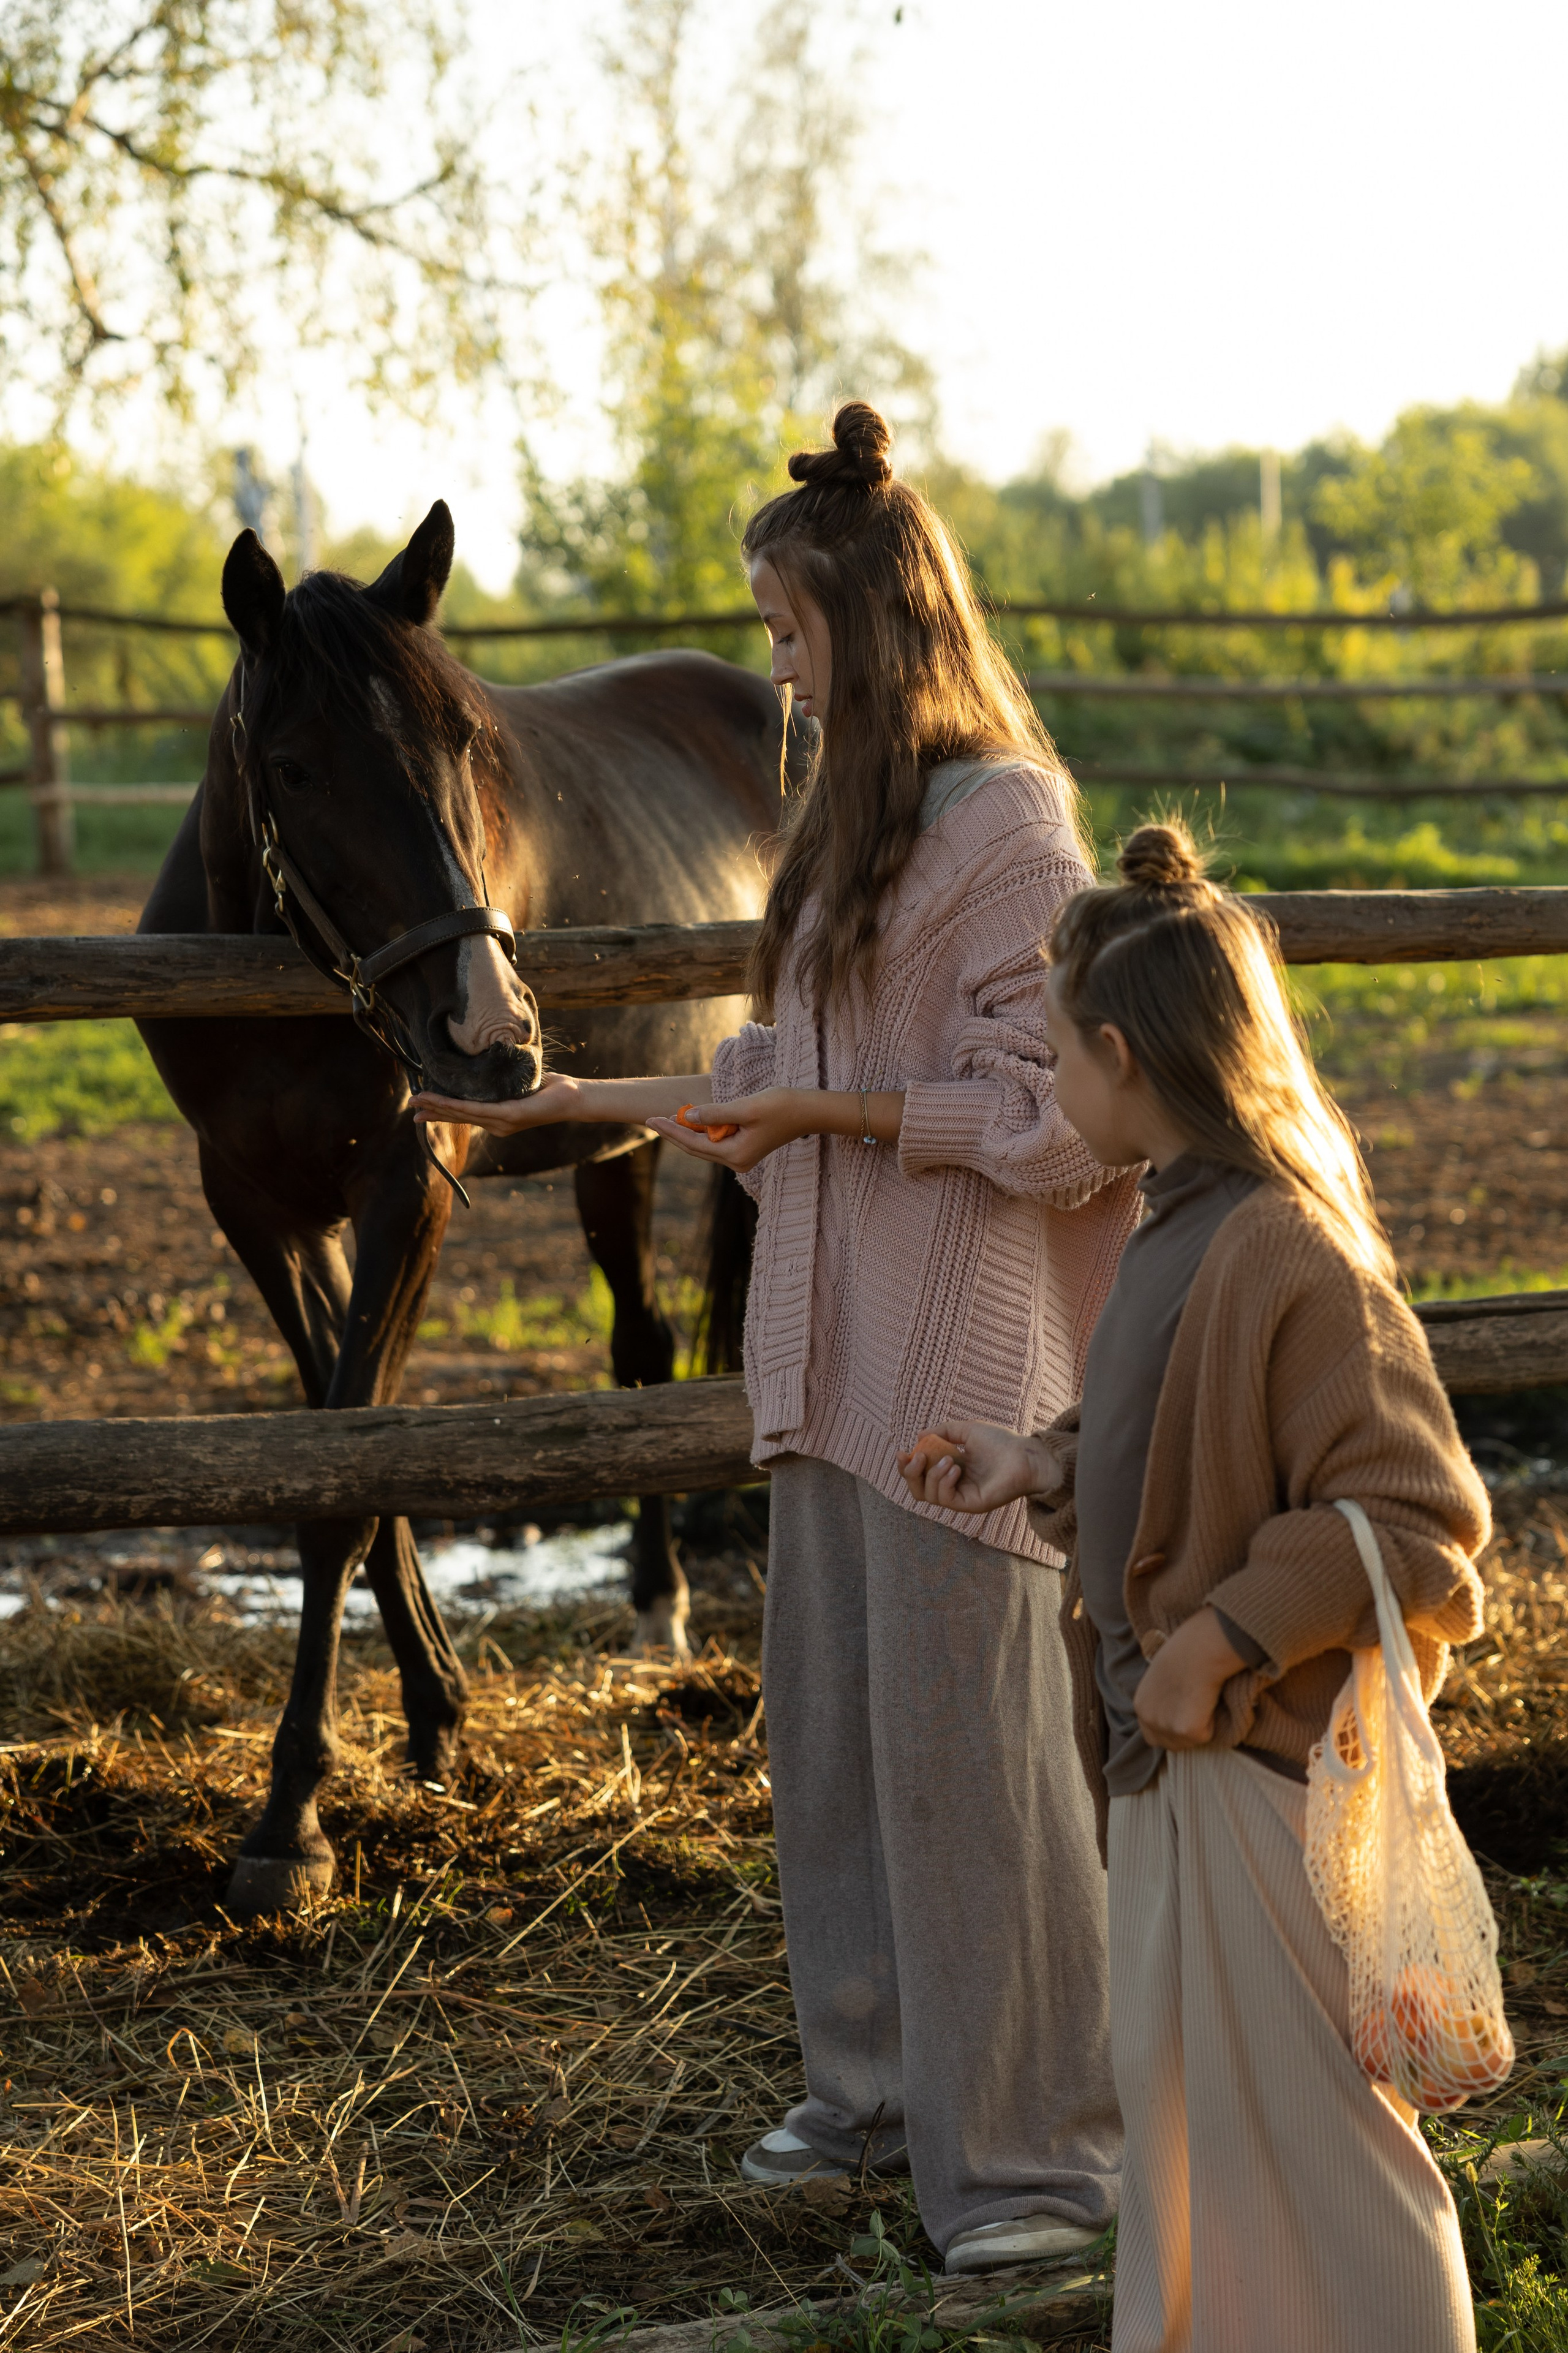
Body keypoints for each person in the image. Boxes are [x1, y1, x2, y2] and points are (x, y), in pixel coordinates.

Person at [412, 401, 1142, 2272]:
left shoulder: (1011, 831)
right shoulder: (839, 824)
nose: (772, 662)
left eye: (792, 630)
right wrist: (577, 1101)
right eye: (766, 629)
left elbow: (1055, 1114)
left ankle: (1047, 2169)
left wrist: (835, 1121)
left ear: (878, 629)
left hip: (966, 1354)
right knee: (829, 1739)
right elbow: (786, 1067)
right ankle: (880, 2086)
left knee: (977, 1763)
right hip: (822, 1344)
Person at [900, 820, 1490, 2352]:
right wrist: (1043, 1463)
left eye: (1053, 1064)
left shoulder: (1286, 1247)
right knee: (1186, 2129)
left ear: (1118, 1052)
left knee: (1317, 2136)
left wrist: (1219, 1636)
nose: (1048, 1093)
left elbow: (1415, 1513)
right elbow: (1176, 1424)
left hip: (1251, 1764)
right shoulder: (1176, 1219)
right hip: (1169, 1761)